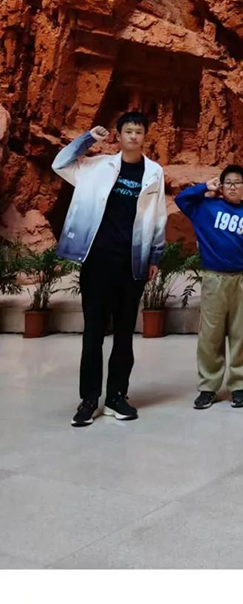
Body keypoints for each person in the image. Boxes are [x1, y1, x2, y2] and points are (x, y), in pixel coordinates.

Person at [51, 111, 166, 427]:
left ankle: (117, 396)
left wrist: (155, 256)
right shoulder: (96, 166)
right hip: (97, 261)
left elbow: (158, 216)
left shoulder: (154, 172)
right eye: (128, 131)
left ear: (145, 137)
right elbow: (60, 163)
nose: (133, 136)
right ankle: (89, 399)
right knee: (93, 332)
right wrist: (88, 139)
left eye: (138, 131)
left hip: (132, 263)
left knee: (125, 334)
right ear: (118, 135)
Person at [175, 165, 243, 410]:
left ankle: (238, 387)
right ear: (221, 186)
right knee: (210, 335)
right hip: (214, 278)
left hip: (242, 279)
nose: (233, 187)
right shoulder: (205, 207)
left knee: (239, 334)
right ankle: (208, 387)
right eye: (229, 183)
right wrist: (205, 187)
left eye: (238, 183)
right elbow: (181, 199)